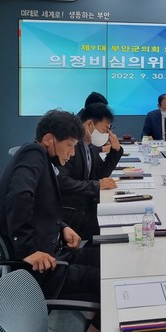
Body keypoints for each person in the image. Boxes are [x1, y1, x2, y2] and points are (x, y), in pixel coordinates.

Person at [0, 109, 101, 332]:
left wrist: (62, 226)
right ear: (49, 139)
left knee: (107, 257)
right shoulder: (33, 153)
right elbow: (19, 197)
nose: (72, 153)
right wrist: (27, 250)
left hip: (53, 253)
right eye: (70, 145)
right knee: (110, 280)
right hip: (42, 270)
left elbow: (40, 206)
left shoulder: (40, 158)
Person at [58, 102, 123, 242]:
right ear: (89, 125)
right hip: (72, 212)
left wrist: (115, 151)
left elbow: (101, 174)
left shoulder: (89, 146)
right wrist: (96, 185)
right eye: (105, 129)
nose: (107, 134)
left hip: (86, 206)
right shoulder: (71, 146)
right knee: (115, 232)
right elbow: (61, 181)